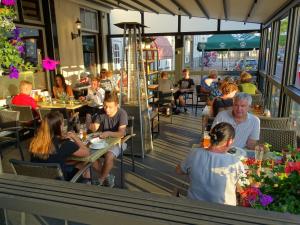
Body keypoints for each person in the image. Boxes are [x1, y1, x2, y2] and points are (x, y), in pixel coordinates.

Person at [176, 122, 246, 206]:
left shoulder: (194, 153)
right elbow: (244, 188)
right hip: (224, 212)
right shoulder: (235, 162)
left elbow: (178, 171)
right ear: (229, 142)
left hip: (194, 207)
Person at [29, 111, 90, 180]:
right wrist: (75, 137)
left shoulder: (34, 142)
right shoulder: (64, 144)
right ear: (59, 127)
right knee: (85, 165)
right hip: (59, 183)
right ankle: (87, 185)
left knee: (75, 163)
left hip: (39, 180)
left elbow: (52, 158)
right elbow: (86, 152)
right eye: (63, 124)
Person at [89, 92, 128, 187]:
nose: (107, 109)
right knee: (89, 156)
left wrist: (108, 133)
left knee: (109, 156)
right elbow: (95, 127)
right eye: (105, 106)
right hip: (103, 142)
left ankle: (101, 179)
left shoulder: (122, 113)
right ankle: (107, 176)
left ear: (116, 105)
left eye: (110, 107)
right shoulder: (101, 112)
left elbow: (121, 134)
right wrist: (90, 123)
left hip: (119, 142)